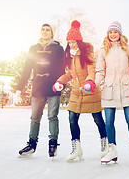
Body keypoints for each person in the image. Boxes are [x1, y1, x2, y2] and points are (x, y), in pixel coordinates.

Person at [53, 20, 108, 162]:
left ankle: (105, 143)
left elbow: (92, 71)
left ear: (79, 41)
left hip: (90, 91)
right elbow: (70, 74)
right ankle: (76, 147)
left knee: (98, 119)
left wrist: (90, 82)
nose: (71, 44)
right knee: (72, 118)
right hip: (77, 92)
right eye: (69, 42)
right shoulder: (69, 56)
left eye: (74, 41)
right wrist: (60, 81)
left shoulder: (87, 54)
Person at [95, 21, 129, 163]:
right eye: (110, 32)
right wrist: (94, 84)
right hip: (110, 89)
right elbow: (100, 71)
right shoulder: (103, 50)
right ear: (107, 34)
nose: (113, 34)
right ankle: (112, 150)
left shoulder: (127, 48)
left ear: (120, 33)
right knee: (109, 121)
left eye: (115, 32)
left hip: (126, 87)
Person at [16, 23, 65, 158]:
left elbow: (62, 68)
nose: (45, 32)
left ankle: (53, 144)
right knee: (35, 117)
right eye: (43, 29)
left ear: (52, 33)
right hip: (38, 87)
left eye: (47, 30)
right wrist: (20, 87)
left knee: (52, 116)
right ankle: (31, 144)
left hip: (53, 86)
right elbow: (27, 69)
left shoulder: (58, 48)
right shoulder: (33, 49)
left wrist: (62, 83)